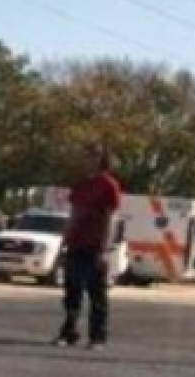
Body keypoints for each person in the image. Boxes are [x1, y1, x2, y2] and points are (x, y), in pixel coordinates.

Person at [54, 142, 122, 350]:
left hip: (95, 245)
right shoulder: (80, 185)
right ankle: (69, 333)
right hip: (76, 244)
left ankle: (98, 337)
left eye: (90, 156)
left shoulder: (109, 185)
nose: (85, 160)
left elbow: (110, 218)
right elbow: (73, 216)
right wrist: (63, 245)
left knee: (96, 294)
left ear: (100, 159)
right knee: (71, 291)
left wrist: (103, 249)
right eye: (83, 156)